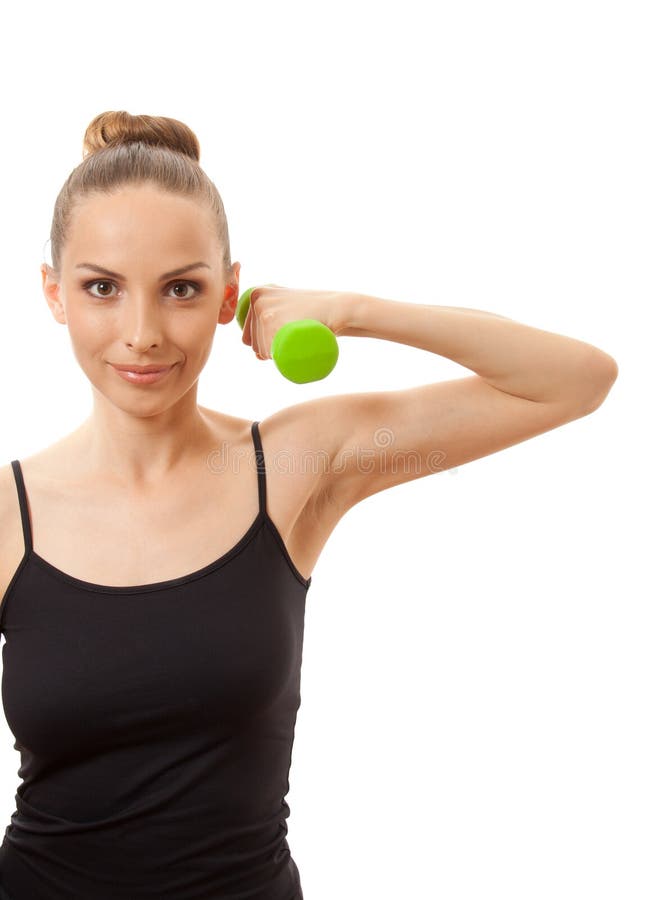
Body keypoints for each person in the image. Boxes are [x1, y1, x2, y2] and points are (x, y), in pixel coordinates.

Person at [0, 110, 619, 899]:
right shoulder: (7, 513)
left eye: (181, 288)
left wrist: (356, 310)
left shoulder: (293, 468)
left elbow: (575, 379)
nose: (143, 332)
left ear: (230, 294)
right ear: (54, 293)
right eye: (102, 288)